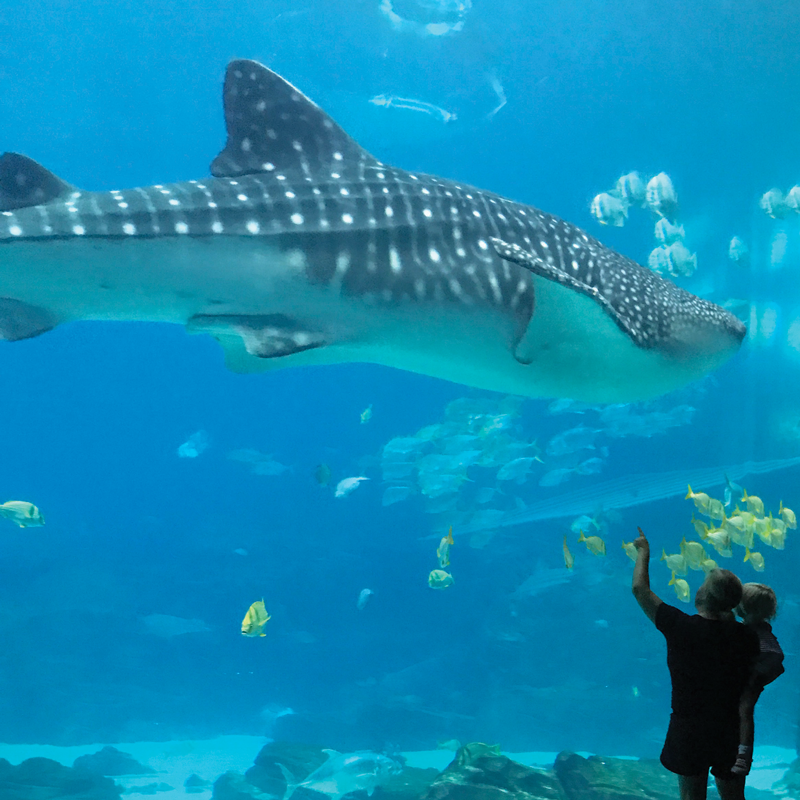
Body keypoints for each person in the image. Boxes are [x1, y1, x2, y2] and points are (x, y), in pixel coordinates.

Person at [631, 528, 759, 800]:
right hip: (731, 729)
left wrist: (644, 551)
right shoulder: (747, 637)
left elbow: (640, 590)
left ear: (703, 596)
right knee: (734, 798)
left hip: (689, 730)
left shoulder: (680, 627)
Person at [731, 583, 785, 776]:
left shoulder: (755, 632)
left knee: (744, 710)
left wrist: (754, 677)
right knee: (744, 711)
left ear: (744, 606)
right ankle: (742, 753)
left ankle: (743, 756)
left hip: (754, 675)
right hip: (754, 674)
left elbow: (774, 657)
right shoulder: (758, 629)